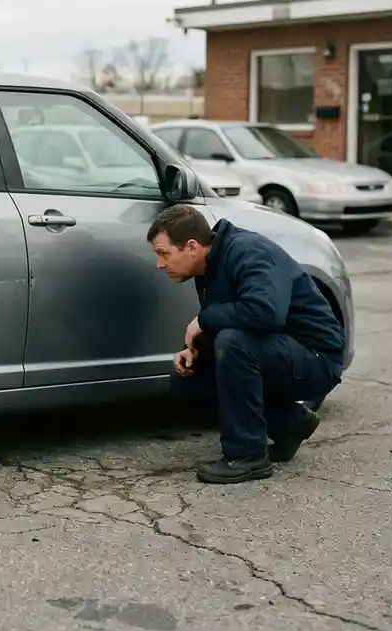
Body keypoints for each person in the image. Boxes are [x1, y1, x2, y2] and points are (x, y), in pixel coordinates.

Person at [146, 204, 346, 484]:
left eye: (164, 253)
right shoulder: (209, 266)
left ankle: (248, 455)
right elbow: (232, 320)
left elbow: (265, 312)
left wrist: (202, 320)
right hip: (276, 351)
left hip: (317, 359)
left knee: (234, 343)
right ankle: (290, 423)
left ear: (191, 246)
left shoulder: (249, 251)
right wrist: (196, 350)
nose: (159, 264)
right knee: (190, 380)